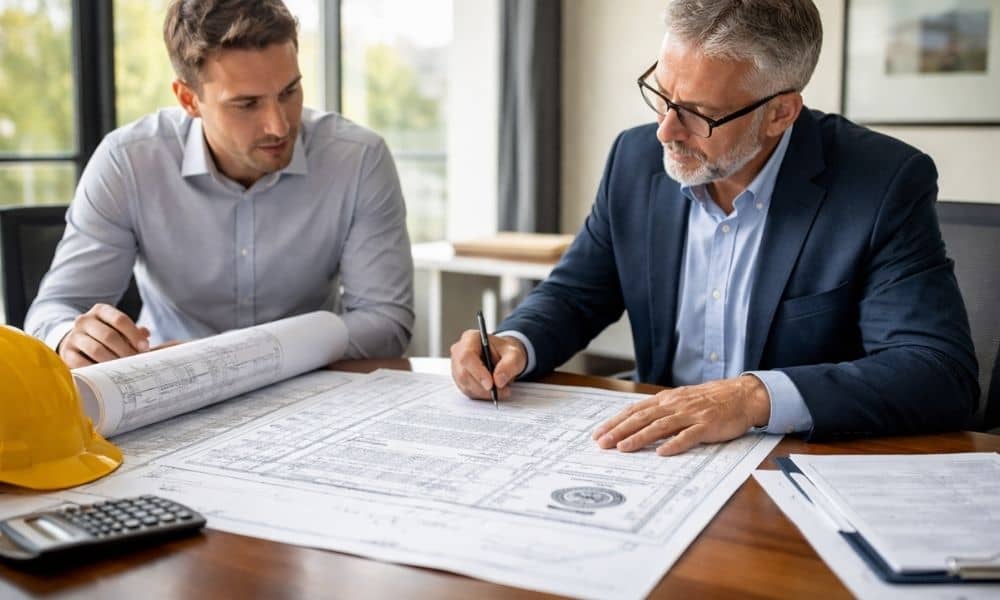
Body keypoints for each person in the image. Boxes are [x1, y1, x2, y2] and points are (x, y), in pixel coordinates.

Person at [450, 0, 978, 455]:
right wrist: (515, 342)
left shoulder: (881, 183)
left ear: (780, 113)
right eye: (661, 94)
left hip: (789, 466)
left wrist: (751, 398)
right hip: (657, 456)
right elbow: (578, 292)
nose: (664, 130)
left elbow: (937, 372)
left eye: (698, 113)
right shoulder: (634, 159)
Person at [25, 0, 413, 367]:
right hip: (166, 387)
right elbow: (55, 309)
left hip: (308, 385)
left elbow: (387, 322)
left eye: (289, 92)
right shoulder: (129, 161)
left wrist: (239, 357)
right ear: (188, 99)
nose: (279, 125)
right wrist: (71, 338)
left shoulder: (358, 158)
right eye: (247, 104)